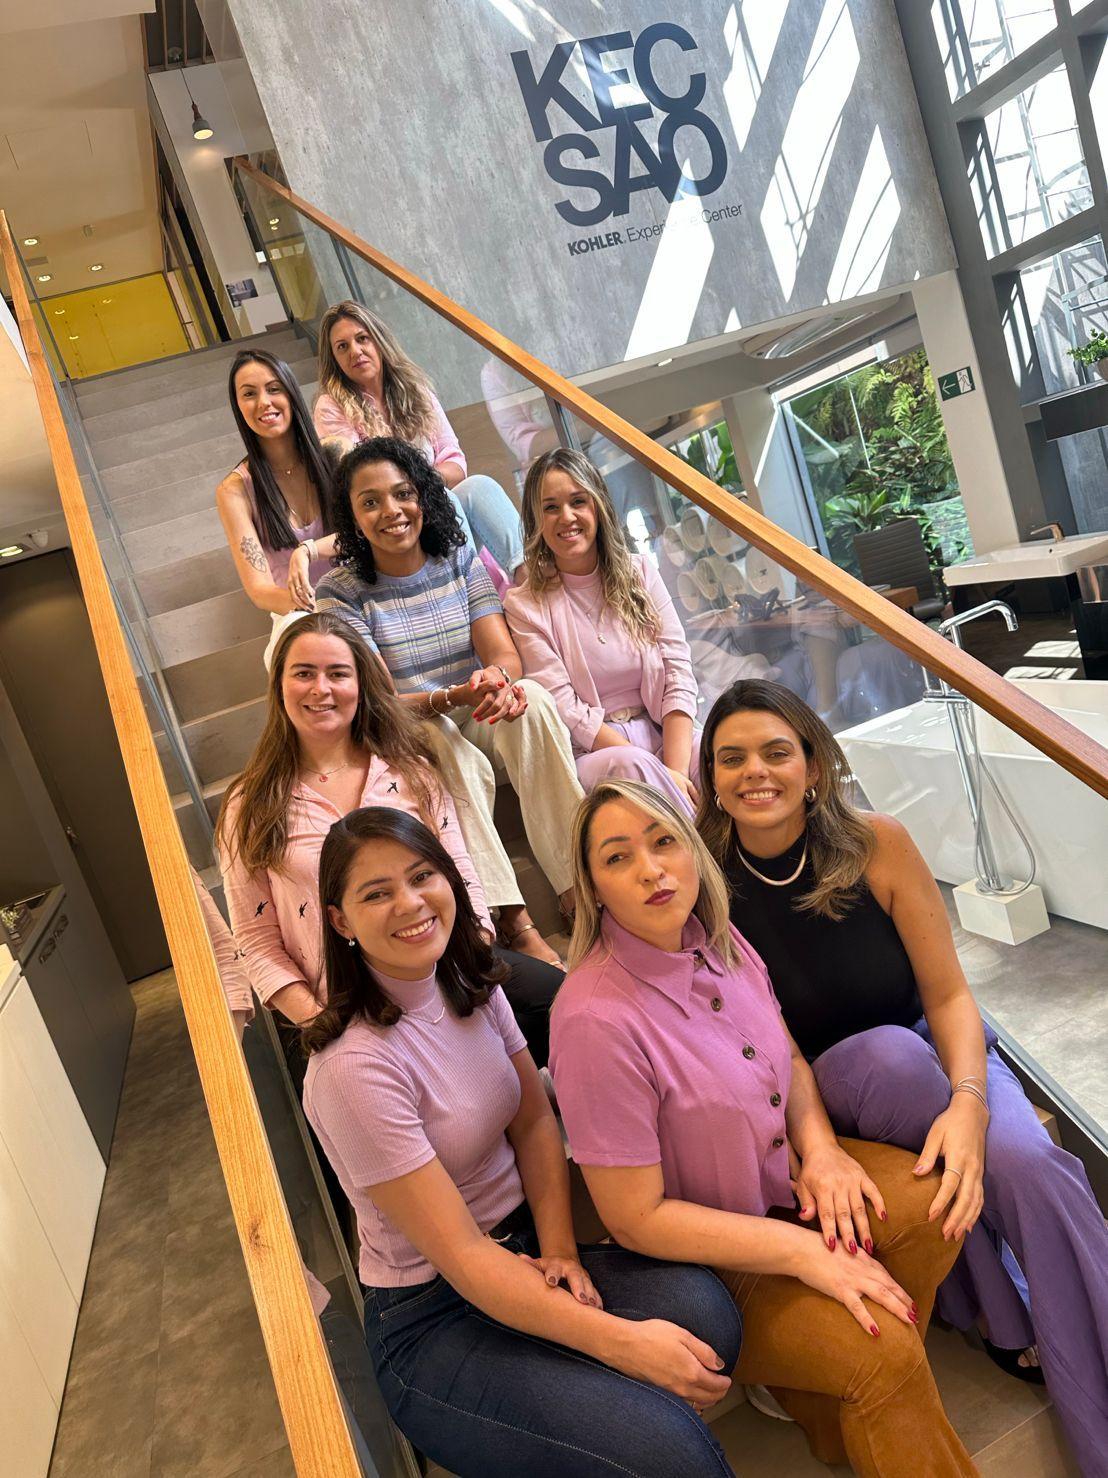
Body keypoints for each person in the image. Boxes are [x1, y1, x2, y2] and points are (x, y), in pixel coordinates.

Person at [696, 677, 1108, 1477]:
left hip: (937, 1056)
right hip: (828, 1093)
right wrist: (815, 1149)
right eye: (732, 757)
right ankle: (1004, 1314)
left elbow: (950, 994)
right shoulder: (707, 889)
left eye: (778, 751)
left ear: (813, 765)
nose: (757, 771)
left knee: (1029, 1163)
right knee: (882, 1057)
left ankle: (1051, 1360)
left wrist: (969, 1102)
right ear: (710, 778)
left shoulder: (876, 842)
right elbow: (771, 1053)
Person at [301, 804, 743, 1478]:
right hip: (434, 1313)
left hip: (525, 1246)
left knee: (709, 1316)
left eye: (422, 876)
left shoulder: (465, 981)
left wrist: (561, 1250)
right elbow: (463, 1255)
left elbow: (535, 1120)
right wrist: (622, 1343)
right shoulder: (351, 1069)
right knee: (672, 1456)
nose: (410, 903)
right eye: (376, 893)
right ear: (340, 921)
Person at [550, 778, 976, 1477]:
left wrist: (822, 1150)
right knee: (883, 1350)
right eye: (618, 857)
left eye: (664, 843)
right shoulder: (594, 1020)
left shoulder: (716, 938)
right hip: (713, 1251)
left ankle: (831, 1408)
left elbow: (791, 1060)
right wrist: (804, 1254)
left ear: (692, 852)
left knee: (935, 1210)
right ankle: (848, 1386)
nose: (652, 869)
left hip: (788, 1186)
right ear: (592, 888)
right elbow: (635, 1218)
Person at [216, 612, 560, 1064]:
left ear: (360, 685)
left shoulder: (410, 771)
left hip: (443, 972)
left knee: (568, 1006)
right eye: (304, 673)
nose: (321, 689)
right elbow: (254, 939)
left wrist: (469, 961)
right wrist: (323, 1024)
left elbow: (462, 875)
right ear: (279, 685)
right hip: (340, 1009)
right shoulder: (249, 805)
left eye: (338, 674)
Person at [315, 438, 584, 923]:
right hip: (405, 723)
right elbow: (377, 699)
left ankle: (579, 885)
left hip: (470, 705)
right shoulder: (339, 592)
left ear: (422, 497)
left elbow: (504, 653)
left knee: (535, 701)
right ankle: (508, 916)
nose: (392, 511)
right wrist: (451, 696)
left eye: (403, 494)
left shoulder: (457, 559)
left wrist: (497, 679)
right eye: (370, 502)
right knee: (444, 743)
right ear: (351, 517)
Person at [504, 449, 701, 816]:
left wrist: (673, 770)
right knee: (635, 769)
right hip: (597, 752)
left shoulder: (640, 571)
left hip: (662, 731)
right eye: (550, 507)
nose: (567, 517)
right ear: (535, 520)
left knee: (716, 756)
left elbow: (677, 670)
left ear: (598, 506)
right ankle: (706, 869)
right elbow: (566, 708)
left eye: (578, 501)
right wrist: (658, 772)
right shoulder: (524, 605)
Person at [313, 299, 524, 577]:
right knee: (446, 497)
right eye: (342, 347)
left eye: (362, 339)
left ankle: (530, 582)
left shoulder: (416, 391)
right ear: (335, 359)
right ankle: (470, 592)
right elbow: (364, 484)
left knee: (478, 487)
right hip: (393, 527)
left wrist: (424, 487)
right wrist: (426, 486)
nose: (355, 351)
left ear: (379, 341)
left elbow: (456, 463)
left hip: (441, 512)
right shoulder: (331, 407)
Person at [217, 350, 339, 668]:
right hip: (298, 614)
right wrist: (319, 610)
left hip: (360, 590)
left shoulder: (336, 453)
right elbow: (260, 589)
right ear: (238, 407)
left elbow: (363, 535)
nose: (264, 403)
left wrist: (309, 551)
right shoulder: (234, 490)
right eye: (249, 394)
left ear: (290, 392)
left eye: (274, 389)